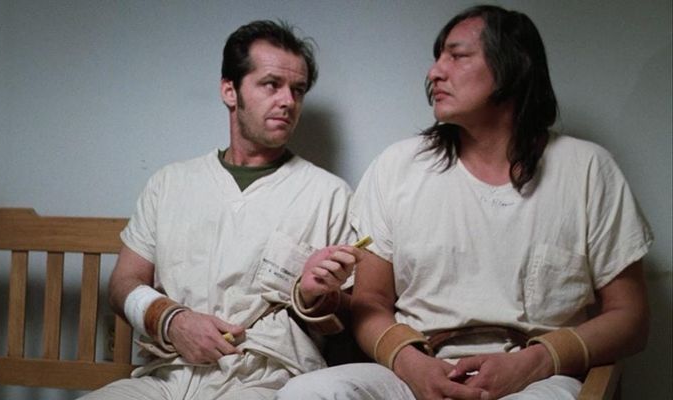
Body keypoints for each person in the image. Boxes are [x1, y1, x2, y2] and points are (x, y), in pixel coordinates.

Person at [276, 5, 652, 400]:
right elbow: (371, 301)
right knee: (305, 394)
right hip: (418, 367)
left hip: (537, 377)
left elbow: (631, 318)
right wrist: (411, 365)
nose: (434, 72)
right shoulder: (397, 166)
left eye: (457, 56)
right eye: (438, 58)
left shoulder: (587, 169)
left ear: (512, 67)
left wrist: (536, 361)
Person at [80, 20, 363, 400]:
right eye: (271, 84)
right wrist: (171, 320)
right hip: (165, 376)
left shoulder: (329, 195)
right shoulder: (170, 183)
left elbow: (350, 319)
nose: (288, 101)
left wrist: (315, 297)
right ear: (230, 91)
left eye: (297, 90)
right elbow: (122, 285)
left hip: (265, 382)